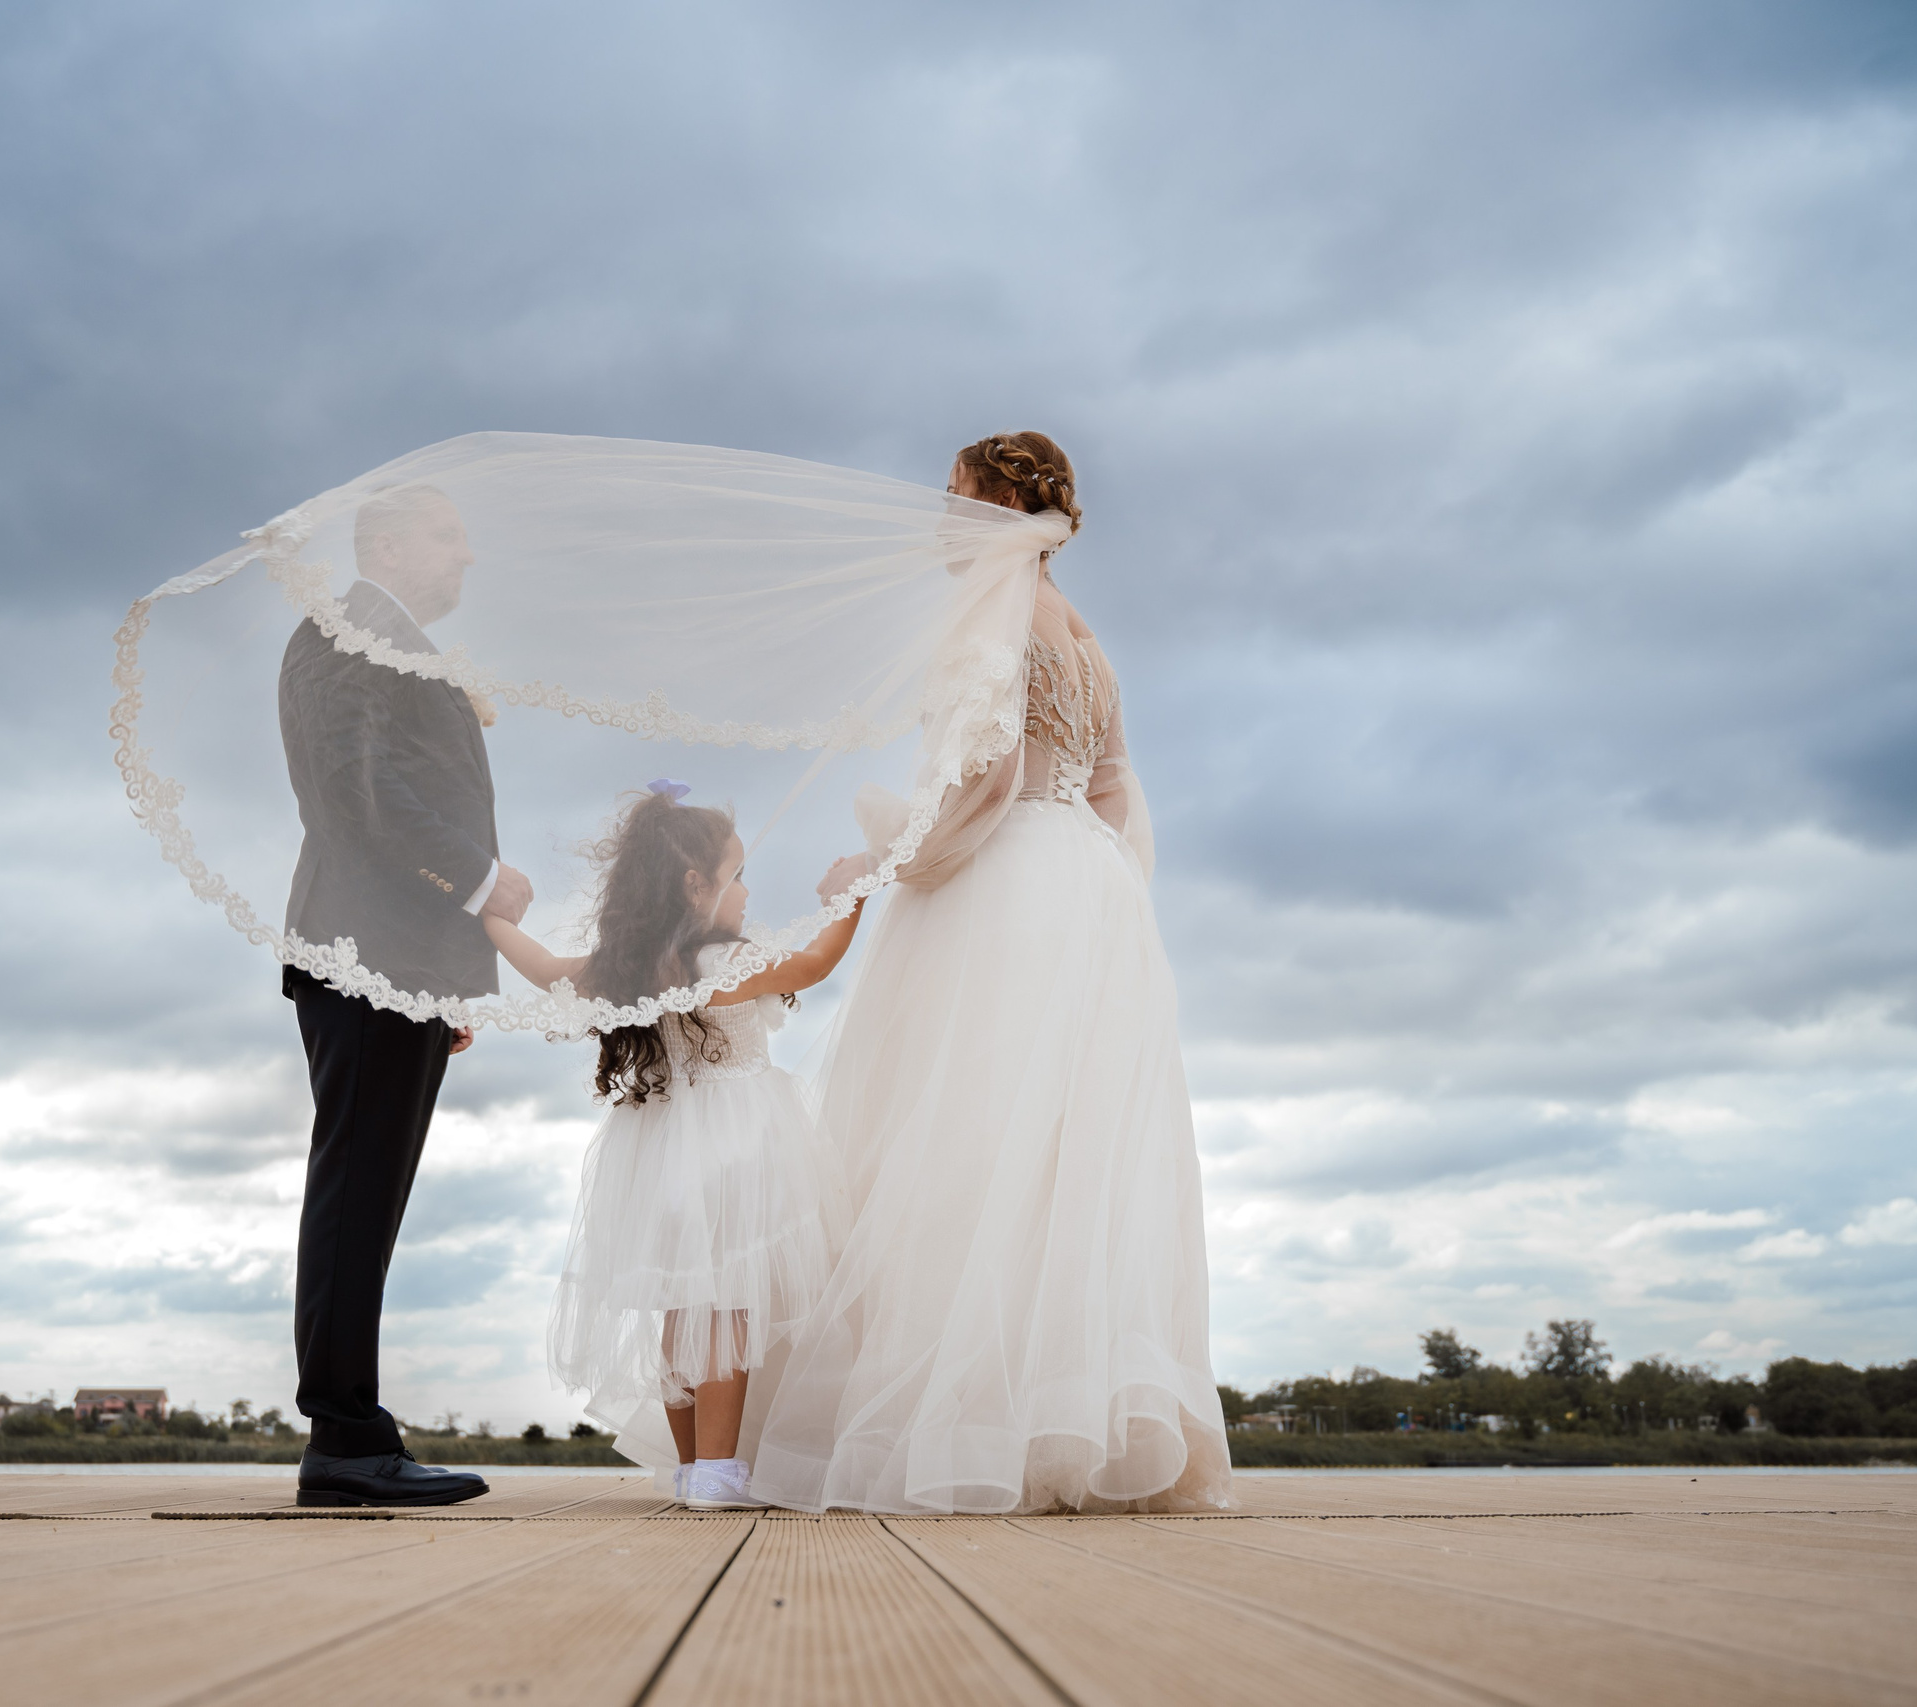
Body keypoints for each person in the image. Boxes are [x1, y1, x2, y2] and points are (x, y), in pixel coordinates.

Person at [747, 432, 1236, 1514]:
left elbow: (981, 772)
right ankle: (1070, 1426)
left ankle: (959, 1428)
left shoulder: (988, 611)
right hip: (1089, 894)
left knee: (954, 1137)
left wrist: (894, 855)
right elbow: (1113, 786)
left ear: (994, 504)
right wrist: (1103, 890)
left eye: (954, 494)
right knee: (1065, 1156)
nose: (937, 515)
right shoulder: (1088, 634)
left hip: (998, 878)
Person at [481, 784, 867, 1511]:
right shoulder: (716, 963)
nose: (748, 890)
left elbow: (547, 968)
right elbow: (816, 964)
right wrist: (854, 896)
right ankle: (718, 1469)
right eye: (739, 873)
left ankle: (695, 1465)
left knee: (685, 1308)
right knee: (725, 1305)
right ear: (697, 885)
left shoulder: (631, 966)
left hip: (665, 1147)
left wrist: (493, 920)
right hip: (736, 1144)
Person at [276, 483, 536, 1508]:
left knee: (369, 1192)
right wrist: (479, 880)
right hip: (362, 950)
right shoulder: (345, 632)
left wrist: (450, 967)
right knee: (355, 1190)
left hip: (400, 957)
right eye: (448, 535)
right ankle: (343, 1436)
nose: (466, 557)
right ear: (383, 542)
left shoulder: (389, 635)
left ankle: (351, 1427)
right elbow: (350, 788)